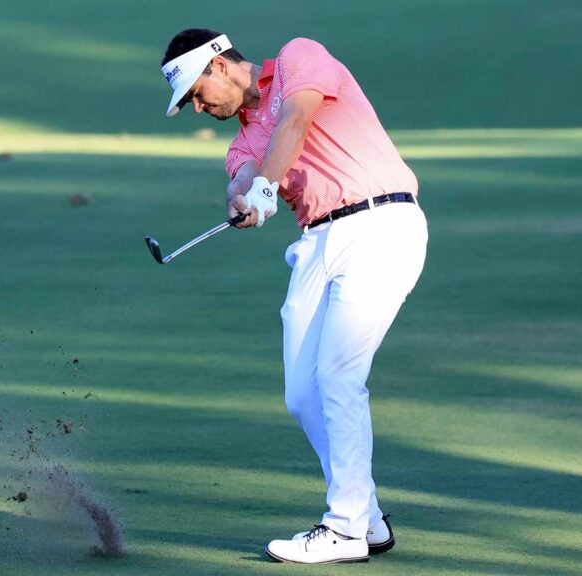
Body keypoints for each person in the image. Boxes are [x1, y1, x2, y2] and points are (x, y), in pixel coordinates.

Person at [159, 29, 429, 564]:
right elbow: (241, 180)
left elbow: (296, 119)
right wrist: (248, 198)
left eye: (195, 92)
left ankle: (345, 528)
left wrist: (266, 185)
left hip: (382, 223)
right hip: (316, 243)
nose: (196, 107)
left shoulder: (296, 58)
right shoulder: (240, 142)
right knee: (303, 395)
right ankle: (368, 518)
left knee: (337, 376)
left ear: (219, 65)